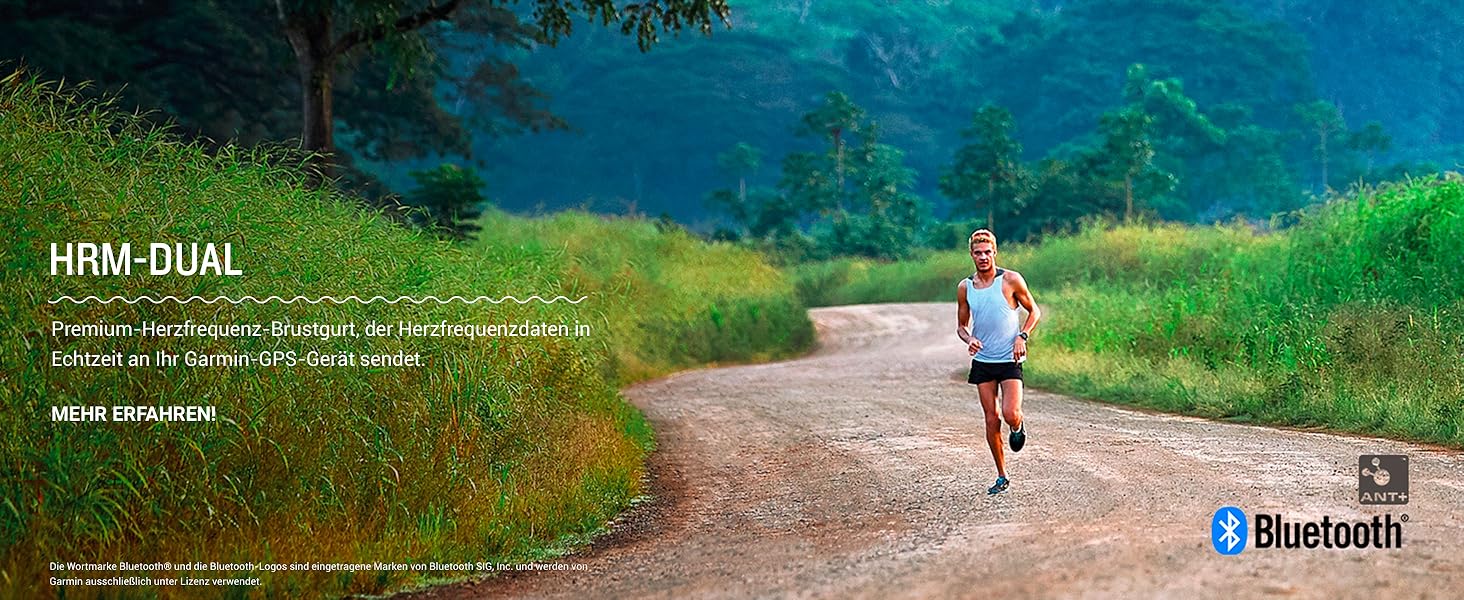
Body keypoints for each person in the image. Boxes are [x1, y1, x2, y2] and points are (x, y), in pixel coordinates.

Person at [956, 229, 1041, 495]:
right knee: (991, 419)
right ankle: (1002, 475)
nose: (983, 257)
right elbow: (961, 326)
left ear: (995, 252)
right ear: (971, 255)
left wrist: (1022, 336)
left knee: (1010, 413)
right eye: (978, 253)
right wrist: (969, 338)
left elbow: (1034, 311)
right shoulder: (965, 287)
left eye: (987, 252)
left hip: (1009, 358)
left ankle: (1018, 426)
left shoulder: (1011, 280)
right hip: (983, 361)